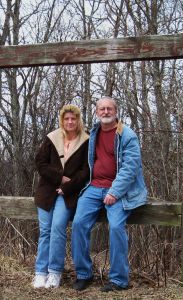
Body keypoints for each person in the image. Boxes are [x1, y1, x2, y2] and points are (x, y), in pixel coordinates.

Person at [71, 96, 147, 292]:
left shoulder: (127, 135)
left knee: (115, 227)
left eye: (109, 109)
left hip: (119, 191)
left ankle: (119, 280)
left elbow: (131, 168)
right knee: (78, 223)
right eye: (102, 109)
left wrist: (114, 191)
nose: (105, 112)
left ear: (116, 111)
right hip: (93, 187)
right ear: (97, 112)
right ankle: (83, 274)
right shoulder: (93, 133)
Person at [33, 104, 89, 289]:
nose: (70, 122)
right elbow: (40, 162)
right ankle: (40, 273)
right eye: (67, 119)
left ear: (78, 120)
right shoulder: (52, 138)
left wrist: (68, 186)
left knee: (57, 229)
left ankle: (55, 272)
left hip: (68, 195)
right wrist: (59, 178)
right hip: (47, 192)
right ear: (62, 120)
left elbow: (86, 171)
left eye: (73, 118)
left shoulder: (86, 140)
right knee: (45, 231)